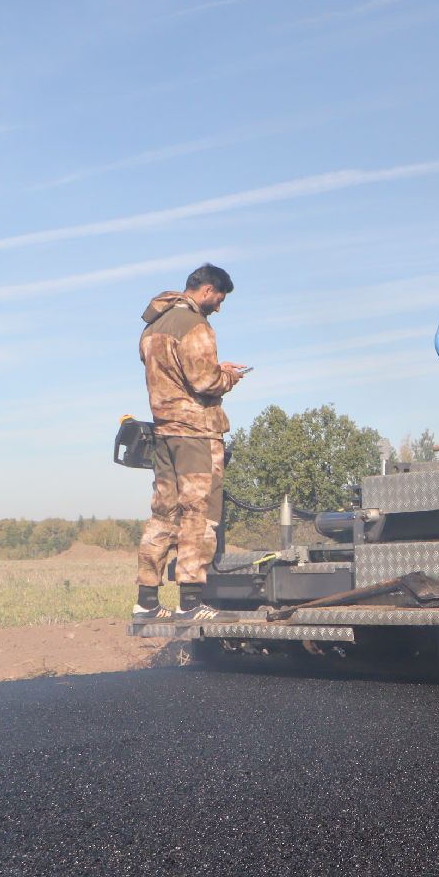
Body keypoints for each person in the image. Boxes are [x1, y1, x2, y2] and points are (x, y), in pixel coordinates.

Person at [134, 264, 247, 621]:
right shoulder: (195, 324)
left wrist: (214, 369)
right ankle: (191, 603)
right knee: (199, 513)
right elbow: (204, 382)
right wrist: (228, 376)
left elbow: (175, 373)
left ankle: (146, 602)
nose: (219, 307)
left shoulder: (154, 326)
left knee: (163, 514)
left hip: (164, 431)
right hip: (195, 433)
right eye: (220, 299)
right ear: (208, 290)